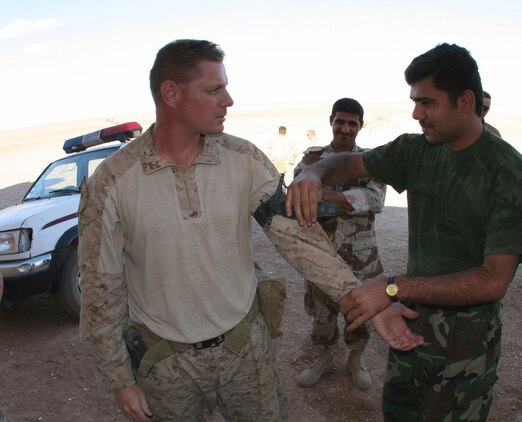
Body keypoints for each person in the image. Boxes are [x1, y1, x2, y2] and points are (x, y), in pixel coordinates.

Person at [78, 39, 423, 422]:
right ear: (171, 93)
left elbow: (297, 238)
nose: (228, 100)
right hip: (164, 363)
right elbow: (100, 290)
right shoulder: (111, 182)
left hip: (245, 351)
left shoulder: (243, 160)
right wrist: (120, 379)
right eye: (214, 90)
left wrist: (359, 297)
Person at [286, 43, 522, 421]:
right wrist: (315, 173)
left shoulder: (507, 173)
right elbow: (351, 162)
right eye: (414, 102)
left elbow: (493, 280)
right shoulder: (417, 150)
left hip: (466, 343)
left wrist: (393, 287)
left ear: (464, 101)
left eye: (426, 103)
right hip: (407, 328)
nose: (416, 114)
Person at [294, 98, 386, 391]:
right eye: (340, 122)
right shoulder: (312, 159)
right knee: (321, 314)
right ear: (331, 121)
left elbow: (374, 201)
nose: (345, 129)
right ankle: (323, 358)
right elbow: (297, 196)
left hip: (360, 257)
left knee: (360, 313)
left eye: (352, 123)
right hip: (320, 254)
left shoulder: (371, 161)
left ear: (361, 125)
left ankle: (355, 359)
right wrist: (347, 202)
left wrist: (324, 196)